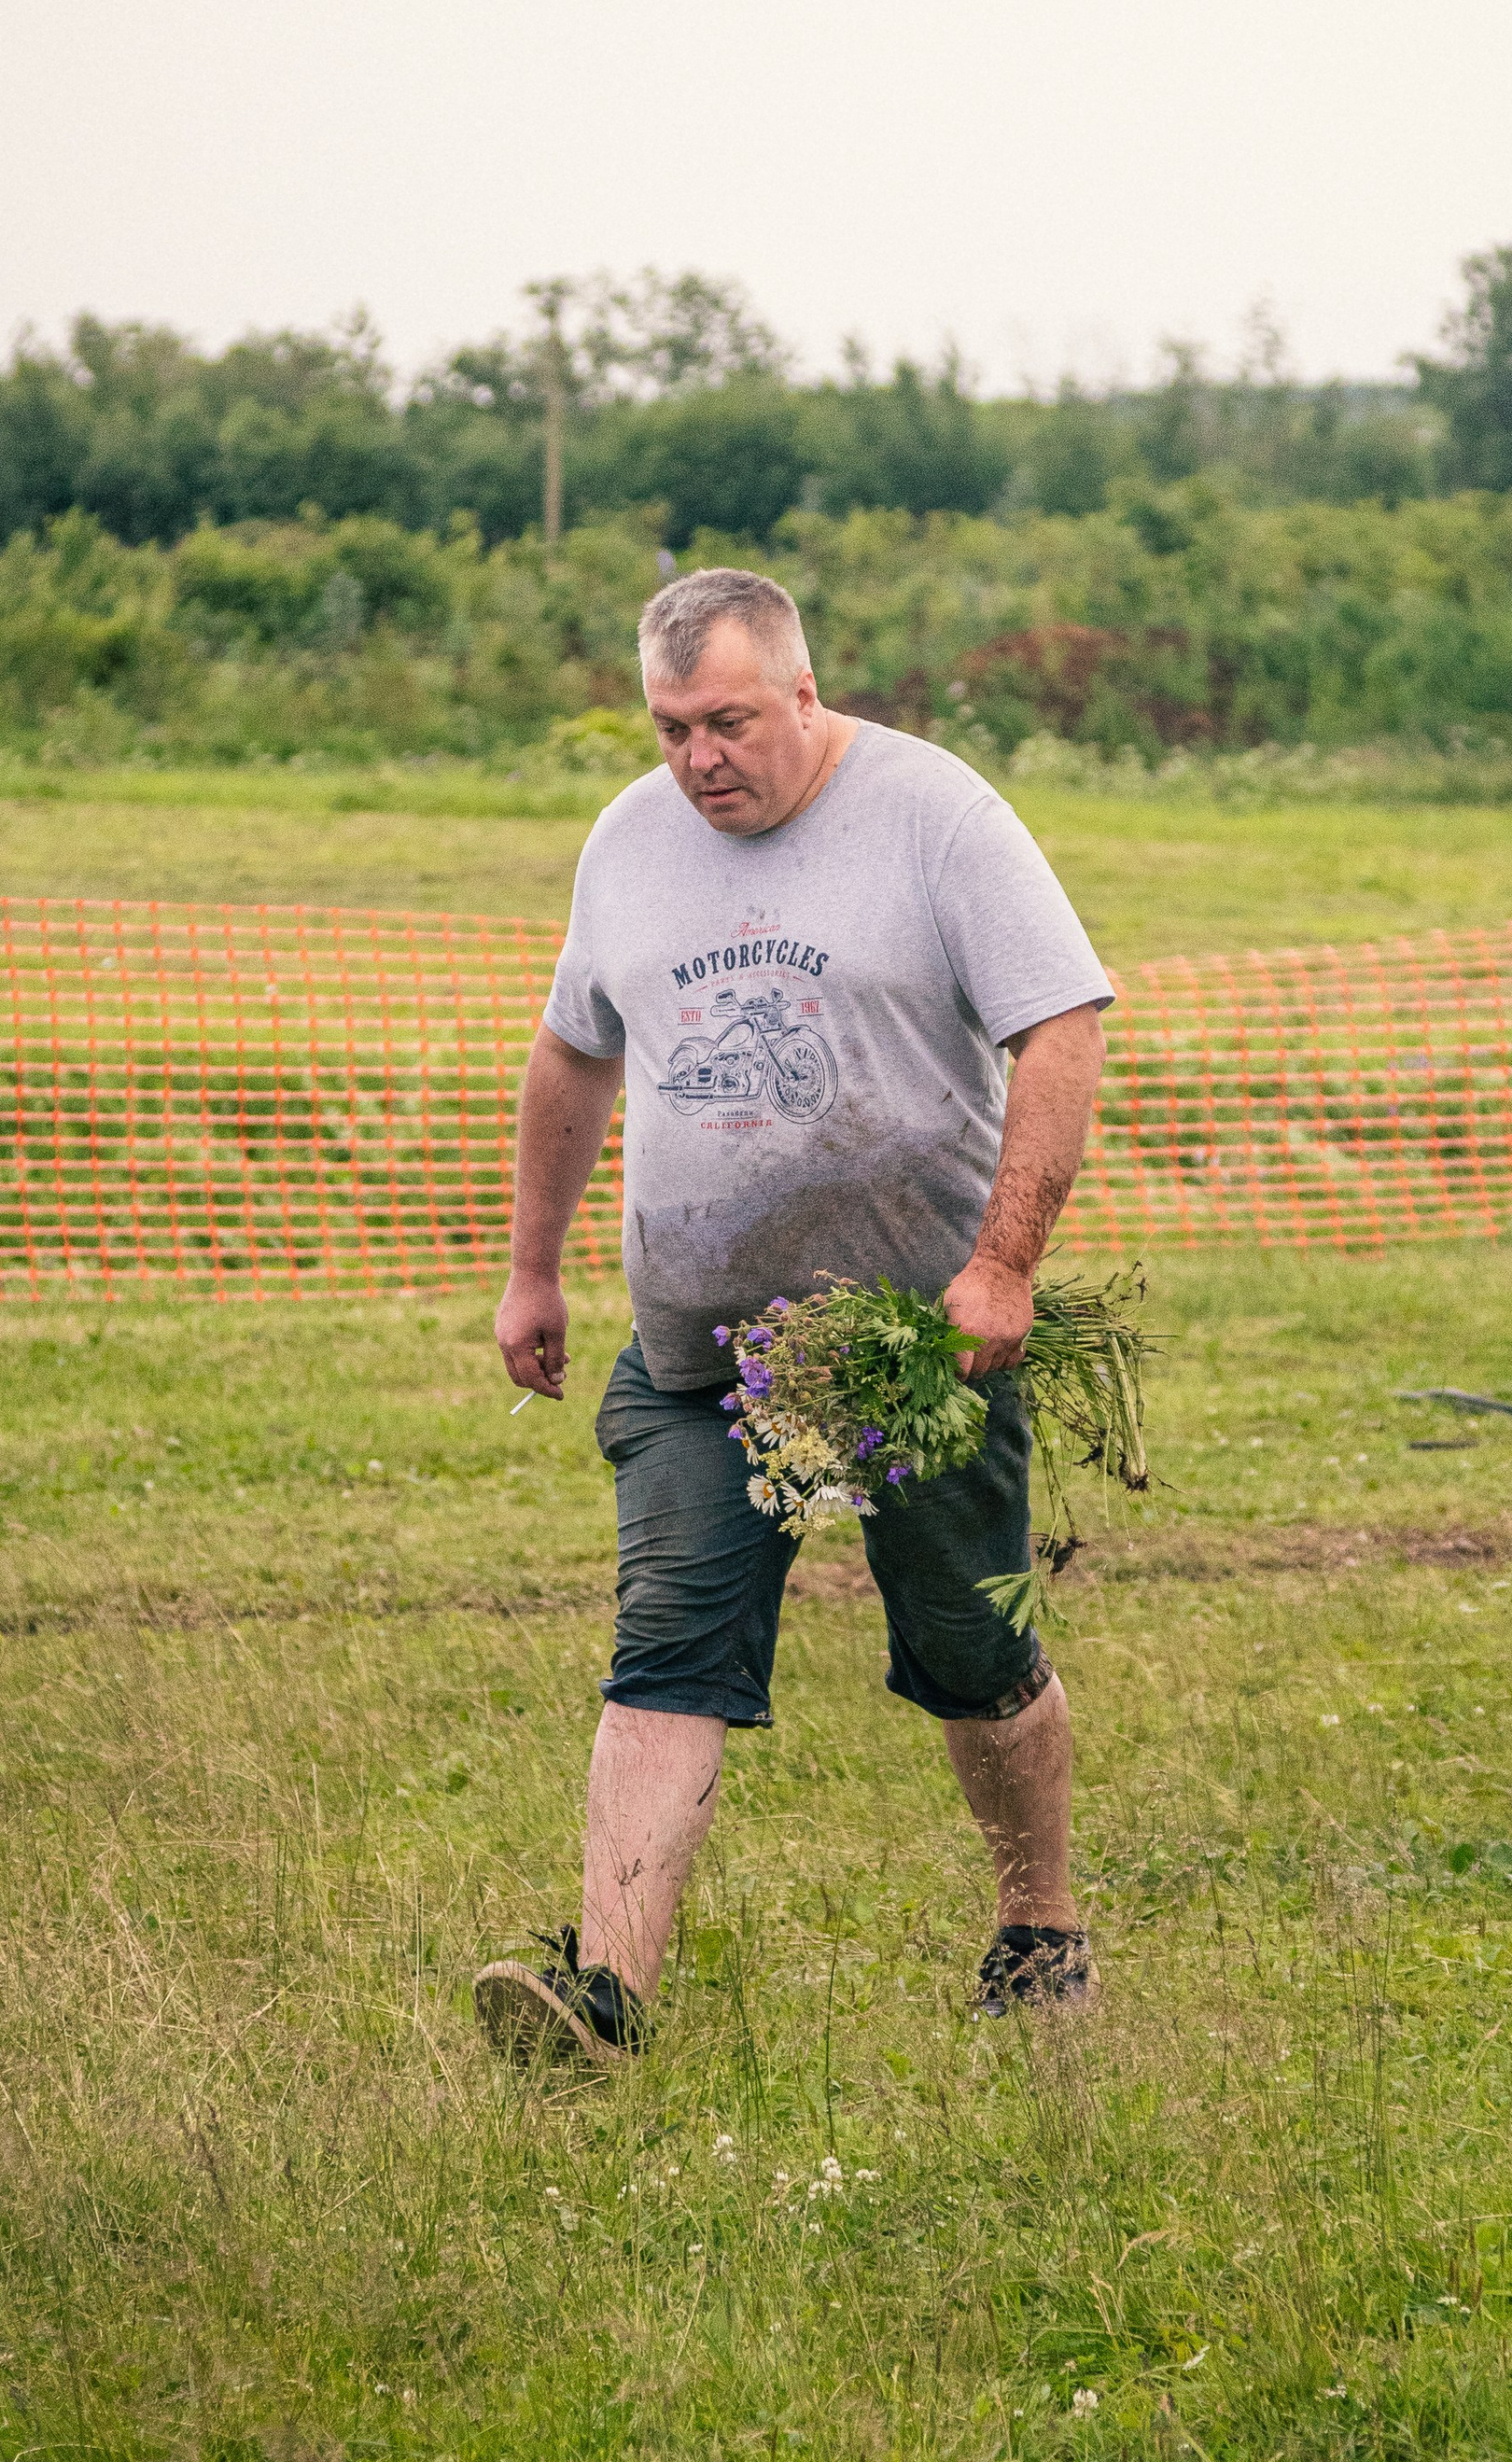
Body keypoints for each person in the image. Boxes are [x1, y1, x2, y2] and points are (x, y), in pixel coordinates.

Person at [474, 565, 1113, 2064]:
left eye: (731, 722)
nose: (700, 758)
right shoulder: (629, 845)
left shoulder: (935, 816)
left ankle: (1041, 1926)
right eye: (671, 726)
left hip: (915, 1347)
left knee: (972, 1649)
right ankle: (605, 1996)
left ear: (806, 694)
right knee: (668, 1641)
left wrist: (1005, 1264)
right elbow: (573, 1057)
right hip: (705, 1348)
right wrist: (534, 1266)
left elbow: (1062, 1027)